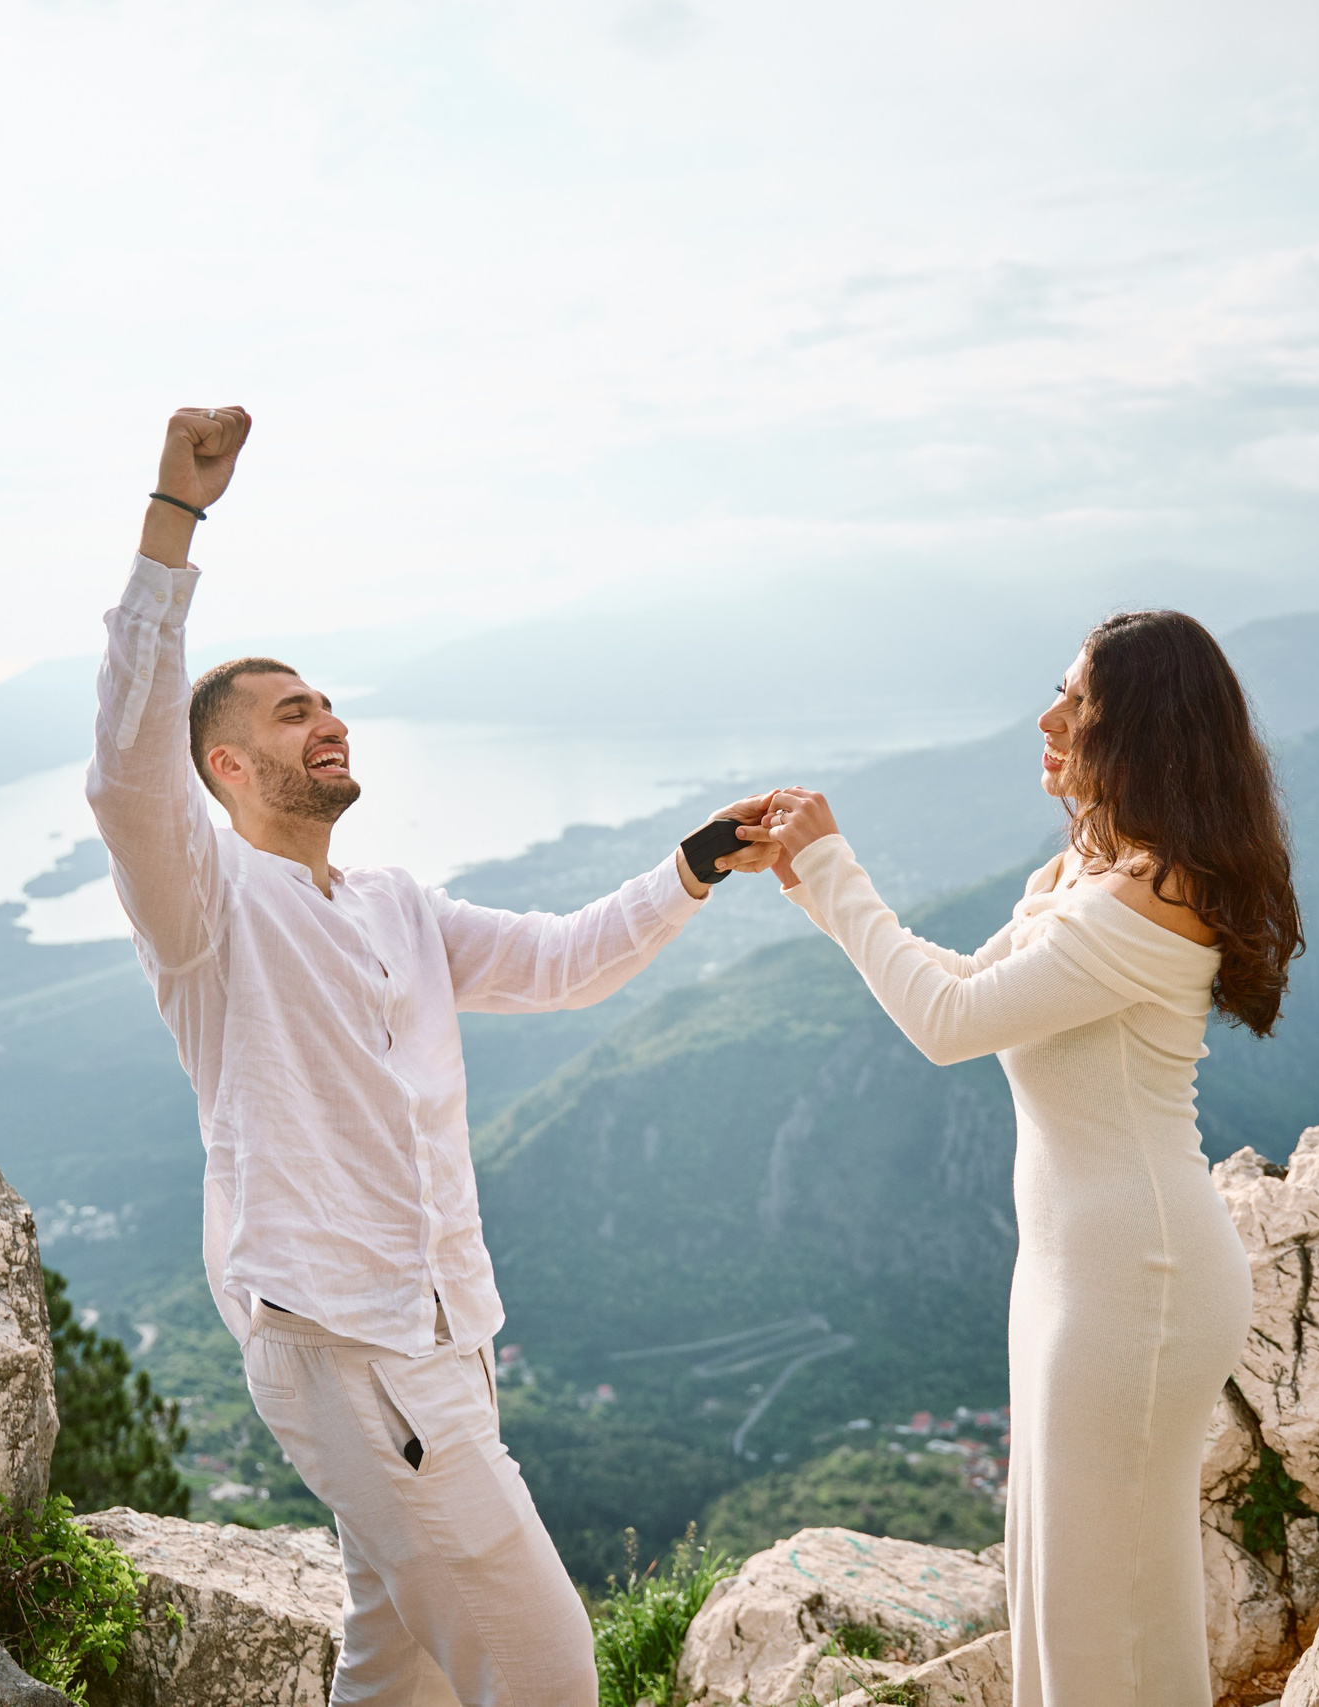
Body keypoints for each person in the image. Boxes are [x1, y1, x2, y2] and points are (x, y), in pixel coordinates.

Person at [87, 405, 775, 1707]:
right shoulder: (205, 908)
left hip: (449, 1332)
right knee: (549, 1667)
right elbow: (127, 781)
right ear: (226, 763)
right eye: (293, 711)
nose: (329, 718)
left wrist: (691, 867)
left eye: (331, 702)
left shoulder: (394, 901)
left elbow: (562, 961)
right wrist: (174, 519)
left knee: (397, 1665)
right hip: (352, 1348)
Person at [747, 611, 1303, 1707]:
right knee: (1080, 1594)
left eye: (1078, 703)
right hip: (1077, 1277)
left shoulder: (1153, 897)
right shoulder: (1094, 871)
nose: (1047, 719)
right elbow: (969, 985)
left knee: (1101, 1609)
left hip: (1137, 1283)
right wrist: (813, 886)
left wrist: (834, 865)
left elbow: (947, 1022)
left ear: (1141, 731)